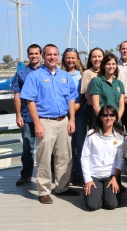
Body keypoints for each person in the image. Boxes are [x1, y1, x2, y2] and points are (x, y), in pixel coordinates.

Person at [20, 44, 80, 204]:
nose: (52, 57)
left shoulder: (65, 76)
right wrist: (37, 124)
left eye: (55, 54)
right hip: (45, 122)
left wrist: (72, 119)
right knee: (44, 158)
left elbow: (71, 99)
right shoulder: (35, 76)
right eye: (49, 54)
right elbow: (30, 101)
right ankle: (44, 191)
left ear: (58, 56)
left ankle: (62, 187)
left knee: (64, 157)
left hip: (64, 121)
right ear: (43, 56)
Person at [81, 105, 125, 211]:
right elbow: (84, 158)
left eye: (111, 115)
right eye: (105, 115)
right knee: (92, 205)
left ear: (115, 117)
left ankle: (116, 188)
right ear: (100, 117)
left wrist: (115, 177)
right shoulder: (91, 134)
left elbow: (120, 159)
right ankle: (96, 193)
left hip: (110, 176)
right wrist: (87, 180)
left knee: (111, 205)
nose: (108, 118)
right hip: (94, 175)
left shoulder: (120, 136)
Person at [11, 44, 42, 186]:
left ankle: (51, 175)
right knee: (27, 148)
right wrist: (18, 115)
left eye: (36, 53)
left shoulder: (47, 71)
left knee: (48, 148)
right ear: (28, 55)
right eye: (31, 54)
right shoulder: (21, 73)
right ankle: (26, 175)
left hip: (44, 116)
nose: (34, 56)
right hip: (27, 115)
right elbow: (17, 95)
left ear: (41, 54)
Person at [61, 47, 88, 186]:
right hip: (64, 115)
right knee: (68, 147)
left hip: (80, 113)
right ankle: (71, 174)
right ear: (64, 59)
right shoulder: (59, 74)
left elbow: (85, 93)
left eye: (73, 57)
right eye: (68, 57)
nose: (70, 60)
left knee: (81, 144)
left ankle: (82, 174)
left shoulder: (82, 74)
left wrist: (80, 104)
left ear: (77, 59)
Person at [90, 53, 125, 120]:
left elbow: (121, 106)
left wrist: (117, 119)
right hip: (102, 121)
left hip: (116, 122)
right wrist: (105, 119)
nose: (111, 66)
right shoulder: (97, 82)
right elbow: (95, 106)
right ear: (103, 66)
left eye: (113, 64)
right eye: (108, 64)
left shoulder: (119, 83)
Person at [80, 47, 104, 128]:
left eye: (99, 56)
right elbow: (87, 95)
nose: (97, 59)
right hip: (94, 110)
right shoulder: (87, 73)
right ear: (90, 59)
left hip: (109, 109)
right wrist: (99, 110)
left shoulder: (109, 72)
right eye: (94, 57)